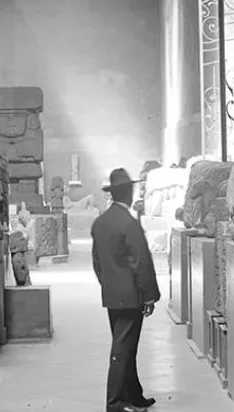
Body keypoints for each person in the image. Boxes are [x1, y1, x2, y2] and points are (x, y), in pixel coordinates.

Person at [91, 168, 161, 412]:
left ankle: (134, 395)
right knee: (123, 350)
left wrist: (109, 284)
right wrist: (149, 295)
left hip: (112, 295)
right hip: (131, 297)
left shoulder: (100, 222)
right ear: (128, 193)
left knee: (126, 346)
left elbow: (97, 262)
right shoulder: (129, 223)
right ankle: (115, 402)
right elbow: (141, 262)